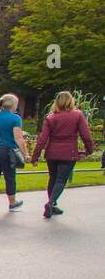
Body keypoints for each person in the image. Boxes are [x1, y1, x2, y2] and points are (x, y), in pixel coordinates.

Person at [31, 91, 95, 220]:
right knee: (61, 180)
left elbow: (42, 139)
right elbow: (86, 135)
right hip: (69, 152)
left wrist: (35, 156)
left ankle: (52, 204)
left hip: (52, 152)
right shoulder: (77, 115)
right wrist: (89, 150)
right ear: (71, 101)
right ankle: (50, 203)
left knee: (53, 178)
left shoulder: (51, 117)